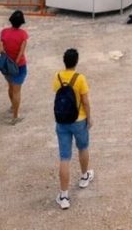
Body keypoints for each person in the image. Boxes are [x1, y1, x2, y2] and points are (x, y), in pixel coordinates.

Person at [53, 48, 94, 209]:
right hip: (79, 119)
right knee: (83, 147)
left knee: (65, 157)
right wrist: (89, 118)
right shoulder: (80, 79)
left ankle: (64, 195)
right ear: (76, 62)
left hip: (62, 121)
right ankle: (84, 177)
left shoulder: (57, 77)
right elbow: (85, 101)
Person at [0, 9, 28, 123]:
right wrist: (15, 63)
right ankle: (15, 116)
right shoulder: (23, 35)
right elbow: (21, 52)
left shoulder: (4, 32)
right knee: (17, 91)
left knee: (10, 87)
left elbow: (1, 49)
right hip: (19, 65)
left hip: (7, 66)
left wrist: (8, 61)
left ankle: (12, 106)